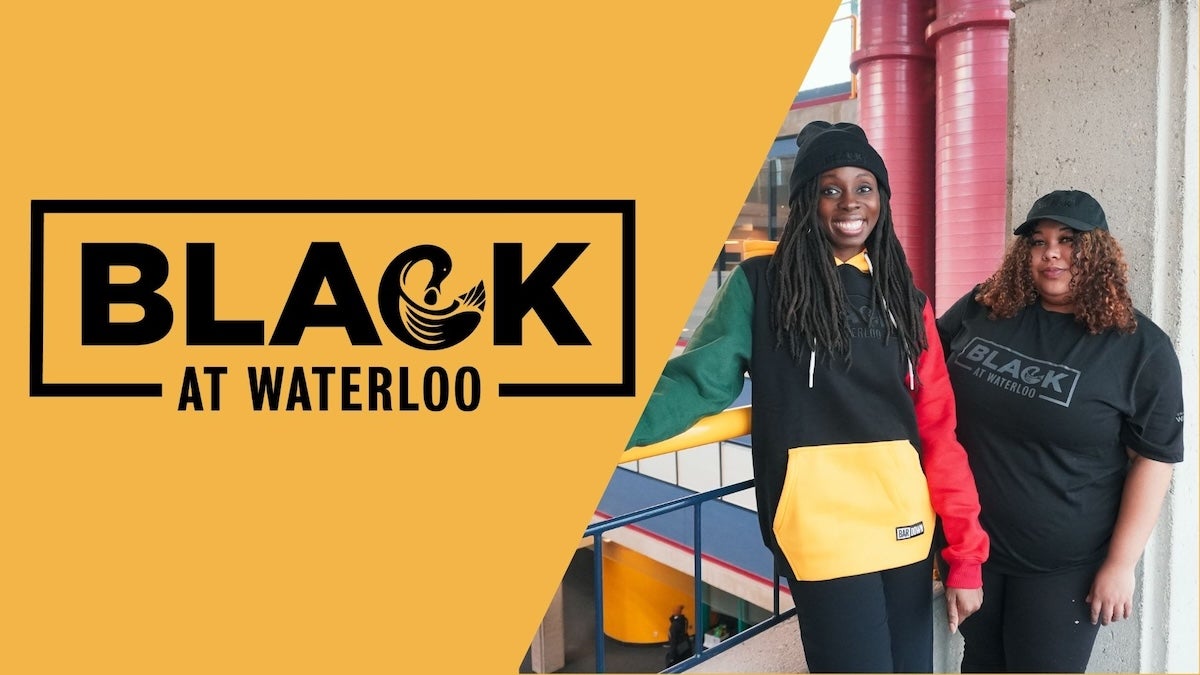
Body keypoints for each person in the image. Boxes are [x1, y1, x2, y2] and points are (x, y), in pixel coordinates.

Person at [627, 121, 990, 673]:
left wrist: (965, 556)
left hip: (904, 523)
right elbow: (700, 382)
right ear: (806, 200)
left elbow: (938, 430)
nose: (850, 203)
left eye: (864, 187)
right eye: (831, 188)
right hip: (820, 527)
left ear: (882, 200)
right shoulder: (762, 283)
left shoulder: (903, 296)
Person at [936, 189, 1184, 673]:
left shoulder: (1140, 349)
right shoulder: (986, 306)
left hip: (1063, 567)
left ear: (1096, 253)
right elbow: (922, 364)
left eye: (1068, 240)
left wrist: (1120, 565)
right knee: (980, 663)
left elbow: (1155, 460)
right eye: (1037, 240)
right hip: (974, 548)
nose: (1051, 252)